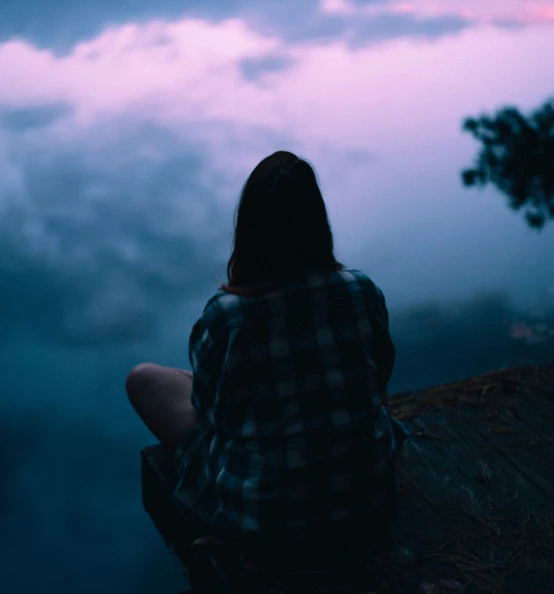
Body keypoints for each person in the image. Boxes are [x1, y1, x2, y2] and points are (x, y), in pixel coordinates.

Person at [126, 150, 407, 561]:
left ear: (251, 228)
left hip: (266, 512)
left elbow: (210, 415)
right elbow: (380, 375)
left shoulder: (228, 316)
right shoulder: (360, 289)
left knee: (144, 379)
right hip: (367, 491)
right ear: (318, 222)